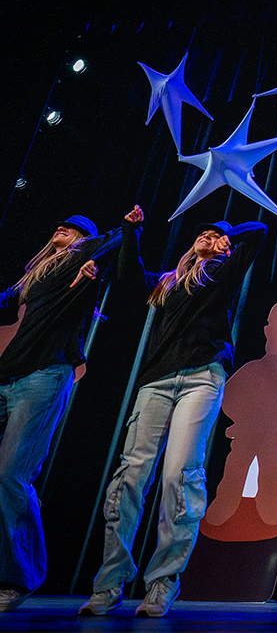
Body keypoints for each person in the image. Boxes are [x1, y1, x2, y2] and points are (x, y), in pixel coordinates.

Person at [79, 206, 266, 618]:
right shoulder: (167, 283)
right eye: (203, 233)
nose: (207, 236)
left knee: (179, 475)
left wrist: (225, 238)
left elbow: (260, 231)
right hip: (157, 382)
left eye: (216, 236)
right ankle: (109, 584)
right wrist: (131, 231)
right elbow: (129, 277)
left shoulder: (221, 275)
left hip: (202, 378)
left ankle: (163, 581)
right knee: (130, 476)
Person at [0, 213, 127, 612]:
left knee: (11, 475)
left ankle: (18, 578)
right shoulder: (33, 279)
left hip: (44, 376)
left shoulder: (80, 264)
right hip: (8, 376)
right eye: (58, 225)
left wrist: (125, 229)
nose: (60, 228)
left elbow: (114, 240)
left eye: (70, 229)